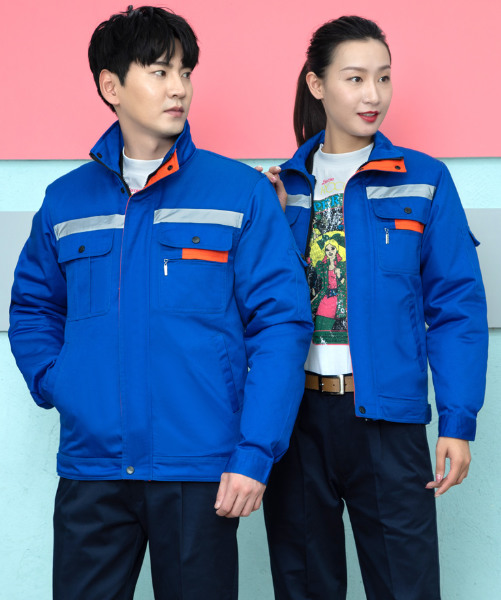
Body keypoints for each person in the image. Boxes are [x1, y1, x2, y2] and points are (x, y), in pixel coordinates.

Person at [8, 6, 312, 600]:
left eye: (185, 72)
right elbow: (34, 307)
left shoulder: (240, 193)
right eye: (159, 71)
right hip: (94, 469)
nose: (179, 88)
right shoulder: (66, 200)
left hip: (201, 470)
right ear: (111, 86)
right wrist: (57, 380)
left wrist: (254, 451)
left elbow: (281, 325)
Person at [260, 15, 488, 600]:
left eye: (384, 78)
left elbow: (457, 307)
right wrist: (276, 221)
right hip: (295, 420)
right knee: (303, 587)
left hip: (388, 419)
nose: (374, 95)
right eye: (356, 78)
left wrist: (457, 420)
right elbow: (260, 310)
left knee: (406, 588)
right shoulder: (281, 188)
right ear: (317, 85)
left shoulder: (424, 180)